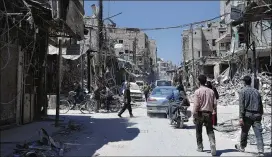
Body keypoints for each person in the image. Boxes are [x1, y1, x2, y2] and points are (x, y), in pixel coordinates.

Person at [235, 76, 264, 156]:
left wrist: (241, 117)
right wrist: (261, 114)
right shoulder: (256, 91)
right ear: (250, 82)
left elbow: (241, 106)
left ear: (244, 82)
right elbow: (260, 104)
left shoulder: (242, 91)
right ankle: (261, 150)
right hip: (257, 115)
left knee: (244, 132)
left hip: (247, 115)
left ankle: (242, 147)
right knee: (258, 134)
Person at [193, 75, 217, 156]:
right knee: (210, 130)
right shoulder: (211, 91)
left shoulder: (197, 92)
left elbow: (196, 105)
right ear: (206, 81)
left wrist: (194, 114)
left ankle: (200, 147)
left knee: (198, 131)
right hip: (209, 113)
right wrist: (213, 112)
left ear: (199, 82)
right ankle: (212, 143)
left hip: (200, 113)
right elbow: (215, 104)